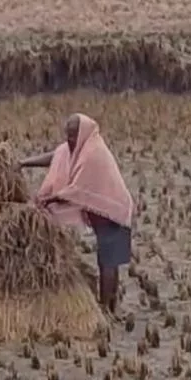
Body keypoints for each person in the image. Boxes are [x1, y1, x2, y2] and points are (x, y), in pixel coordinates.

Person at [20, 113, 134, 313]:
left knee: (108, 261)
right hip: (99, 212)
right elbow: (56, 155)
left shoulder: (93, 153)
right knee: (106, 260)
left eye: (73, 136)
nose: (69, 140)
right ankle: (107, 306)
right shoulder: (76, 147)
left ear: (83, 133)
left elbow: (76, 190)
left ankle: (108, 308)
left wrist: (48, 199)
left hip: (113, 211)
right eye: (68, 135)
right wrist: (23, 163)